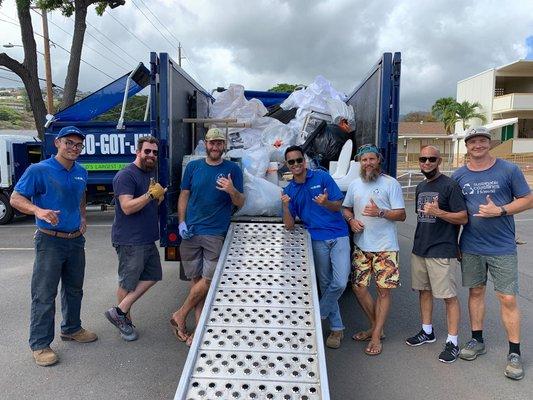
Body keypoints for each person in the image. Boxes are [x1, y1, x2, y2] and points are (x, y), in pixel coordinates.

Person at [10, 126, 97, 367]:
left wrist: (82, 217)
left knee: (74, 289)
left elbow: (81, 196)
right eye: (69, 143)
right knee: (44, 294)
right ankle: (40, 344)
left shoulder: (81, 171)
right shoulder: (39, 170)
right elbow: (16, 198)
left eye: (79, 145)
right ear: (58, 143)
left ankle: (71, 328)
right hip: (49, 240)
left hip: (75, 240)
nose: (74, 148)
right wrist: (38, 210)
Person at [452, 127, 533, 380]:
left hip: (502, 247)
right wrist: (454, 243)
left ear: (489, 144)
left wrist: (500, 210)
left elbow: (528, 199)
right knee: (475, 292)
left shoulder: (508, 170)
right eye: (473, 141)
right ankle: (477, 340)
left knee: (507, 298)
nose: (478, 144)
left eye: (482, 140)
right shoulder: (458, 176)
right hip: (471, 246)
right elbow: (456, 211)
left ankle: (514, 353)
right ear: (467, 146)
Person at [170, 128, 244, 345]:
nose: (215, 147)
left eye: (220, 143)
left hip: (214, 233)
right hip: (191, 232)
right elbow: (184, 195)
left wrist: (231, 190)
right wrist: (181, 222)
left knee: (209, 281)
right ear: (206, 144)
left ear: (225, 145)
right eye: (212, 143)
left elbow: (240, 202)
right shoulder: (193, 167)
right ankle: (197, 331)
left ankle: (180, 314)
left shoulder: (232, 169)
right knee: (196, 283)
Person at [281, 145, 351, 349]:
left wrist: (326, 202)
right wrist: (285, 205)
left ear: (305, 161)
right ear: (287, 165)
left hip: (338, 234)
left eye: (299, 160)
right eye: (291, 162)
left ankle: (318, 314)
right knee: (326, 283)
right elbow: (289, 225)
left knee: (339, 283)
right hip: (316, 239)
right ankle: (337, 329)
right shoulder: (289, 190)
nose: (296, 164)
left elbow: (338, 205)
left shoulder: (321, 177)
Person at [342, 144, 406, 356]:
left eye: (371, 159)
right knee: (359, 288)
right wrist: (351, 221)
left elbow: (401, 214)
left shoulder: (391, 183)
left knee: (383, 292)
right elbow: (346, 207)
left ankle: (376, 336)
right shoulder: (354, 185)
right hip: (362, 245)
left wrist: (380, 212)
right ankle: (375, 326)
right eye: (364, 160)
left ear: (379, 160)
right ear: (359, 163)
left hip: (385, 248)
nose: (368, 163)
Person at [405, 145, 467, 363]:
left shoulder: (450, 186)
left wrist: (439, 212)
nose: (427, 163)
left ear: (439, 161)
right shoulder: (421, 186)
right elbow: (423, 219)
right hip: (420, 248)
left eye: (432, 159)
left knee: (449, 297)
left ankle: (452, 342)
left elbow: (462, 217)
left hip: (442, 249)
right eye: (423, 159)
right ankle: (427, 331)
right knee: (424, 292)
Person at [104, 136, 166, 341]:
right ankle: (124, 323)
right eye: (147, 151)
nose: (151, 155)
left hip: (146, 238)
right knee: (128, 283)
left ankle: (119, 312)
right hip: (130, 240)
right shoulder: (126, 175)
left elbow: (149, 205)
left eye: (155, 152)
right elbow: (127, 207)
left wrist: (157, 198)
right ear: (138, 152)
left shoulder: (149, 174)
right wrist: (150, 195)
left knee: (154, 275)